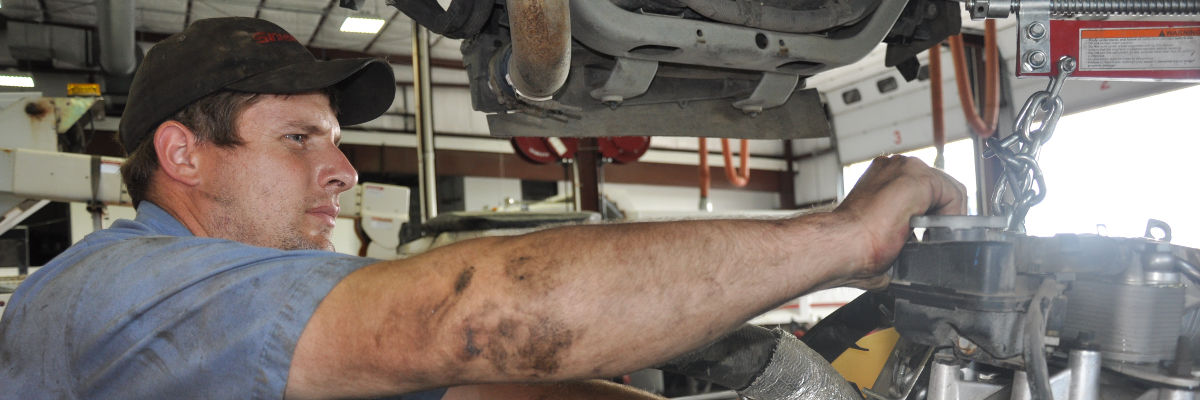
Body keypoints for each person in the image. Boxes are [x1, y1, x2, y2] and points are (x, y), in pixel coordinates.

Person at [0, 17, 967, 400]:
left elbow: (478, 390)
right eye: (300, 139)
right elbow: (471, 325)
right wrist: (840, 238)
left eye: (335, 140)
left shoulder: (258, 306)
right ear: (182, 154)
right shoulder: (125, 293)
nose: (341, 172)